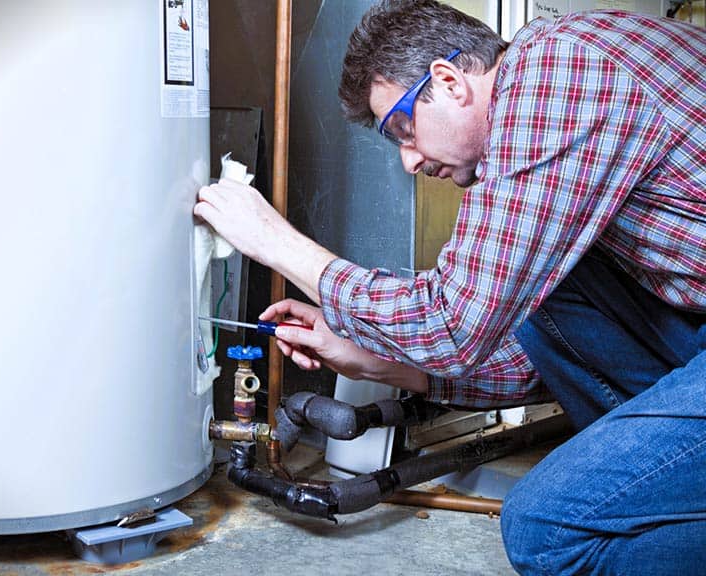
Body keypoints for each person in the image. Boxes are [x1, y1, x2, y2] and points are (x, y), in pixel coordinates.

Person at [194, 1, 706, 573]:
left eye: (402, 131)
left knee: (549, 531)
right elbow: (536, 348)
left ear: (448, 80)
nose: (409, 161)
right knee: (538, 292)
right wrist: (383, 363)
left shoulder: (558, 77)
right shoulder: (561, 66)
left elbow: (453, 323)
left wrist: (276, 243)